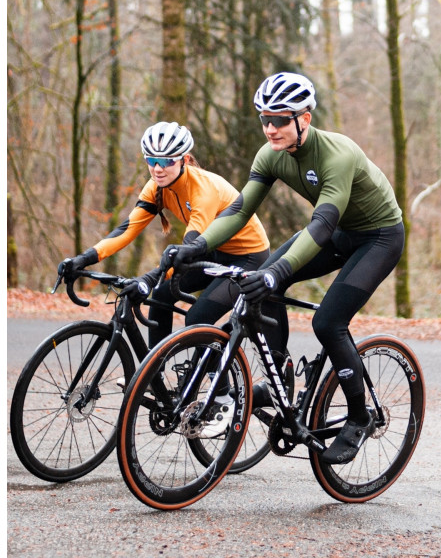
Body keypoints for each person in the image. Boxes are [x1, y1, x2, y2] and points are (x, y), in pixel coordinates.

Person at [161, 72, 405, 464]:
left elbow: (321, 224)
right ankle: (279, 380)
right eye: (264, 119)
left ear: (304, 119)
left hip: (378, 238)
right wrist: (198, 246)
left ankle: (360, 417)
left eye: (279, 119)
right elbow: (239, 210)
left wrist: (276, 271)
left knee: (328, 322)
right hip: (338, 232)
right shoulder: (270, 154)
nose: (270, 128)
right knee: (260, 287)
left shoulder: (338, 155)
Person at [59, 120, 271, 435]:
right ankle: (155, 376)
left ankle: (223, 396)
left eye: (166, 161)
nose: (158, 168)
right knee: (159, 296)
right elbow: (127, 229)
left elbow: (187, 248)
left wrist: (150, 276)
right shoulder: (156, 187)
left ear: (184, 159)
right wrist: (84, 258)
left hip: (246, 257)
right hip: (210, 252)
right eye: (151, 160)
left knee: (198, 316)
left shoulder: (203, 189)